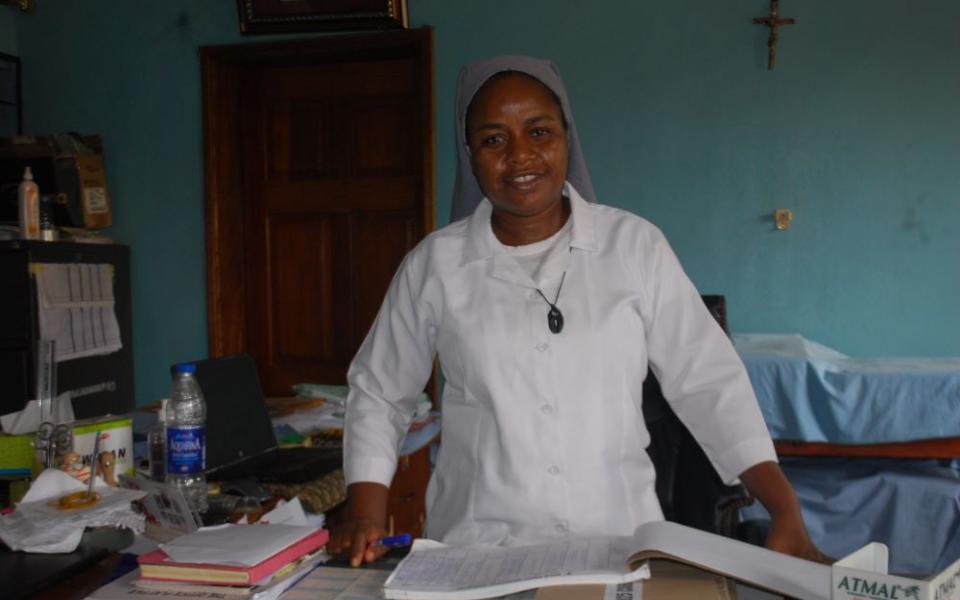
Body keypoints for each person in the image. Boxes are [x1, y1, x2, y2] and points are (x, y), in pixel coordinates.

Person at [329, 55, 828, 567]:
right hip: (477, 553)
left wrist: (783, 507)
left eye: (539, 131)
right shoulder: (435, 264)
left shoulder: (634, 246)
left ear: (567, 137)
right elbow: (380, 391)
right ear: (471, 155)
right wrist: (367, 512)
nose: (520, 156)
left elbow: (709, 380)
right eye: (494, 139)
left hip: (617, 545)